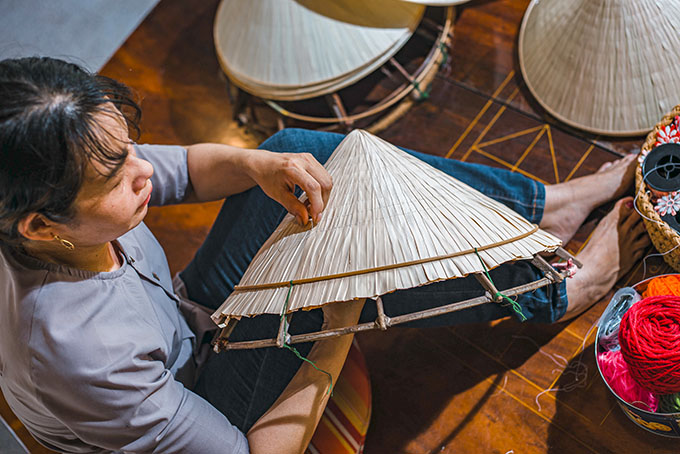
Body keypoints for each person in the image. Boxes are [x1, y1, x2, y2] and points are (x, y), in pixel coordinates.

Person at [0, 56, 649, 454]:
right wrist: (338, 306)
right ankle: (555, 289)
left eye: (129, 150)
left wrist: (261, 163)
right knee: (328, 257)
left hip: (185, 316)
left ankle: (547, 207)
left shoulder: (57, 192)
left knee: (304, 154)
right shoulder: (81, 353)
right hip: (196, 394)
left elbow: (177, 171)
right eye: (117, 176)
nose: (141, 171)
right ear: (41, 226)